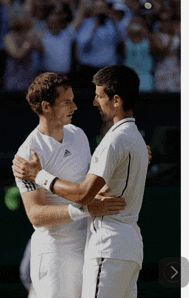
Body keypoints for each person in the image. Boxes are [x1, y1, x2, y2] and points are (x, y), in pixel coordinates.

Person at [13, 65, 149, 298]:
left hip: (89, 247)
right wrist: (84, 209)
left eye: (73, 100)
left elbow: (93, 184)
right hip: (54, 254)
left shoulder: (78, 135)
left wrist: (131, 158)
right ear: (46, 107)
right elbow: (36, 215)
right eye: (67, 102)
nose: (75, 106)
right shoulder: (28, 155)